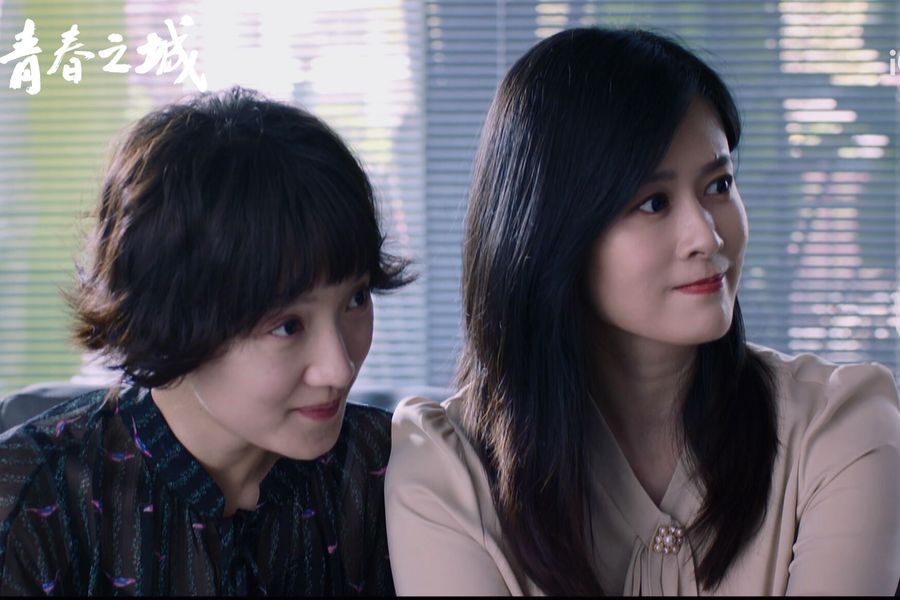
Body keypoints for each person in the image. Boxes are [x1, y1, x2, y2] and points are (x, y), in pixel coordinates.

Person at [385, 27, 900, 596]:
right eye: (654, 202)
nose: (706, 236)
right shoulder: (447, 468)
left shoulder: (840, 425)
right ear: (552, 233)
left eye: (719, 185)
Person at [0, 86, 411, 596]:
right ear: (172, 318)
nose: (340, 368)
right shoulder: (32, 500)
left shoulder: (396, 474)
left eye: (356, 299)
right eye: (287, 325)